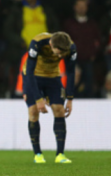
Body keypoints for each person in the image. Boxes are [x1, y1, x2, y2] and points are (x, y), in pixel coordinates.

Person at [23, 31, 76, 164]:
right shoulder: (37, 43)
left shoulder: (71, 48)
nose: (58, 56)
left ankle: (60, 154)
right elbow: (29, 71)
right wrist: (38, 99)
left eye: (61, 55)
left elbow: (70, 72)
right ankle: (38, 154)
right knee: (34, 112)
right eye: (57, 53)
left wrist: (70, 99)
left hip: (53, 77)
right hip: (33, 77)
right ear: (51, 44)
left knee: (59, 110)